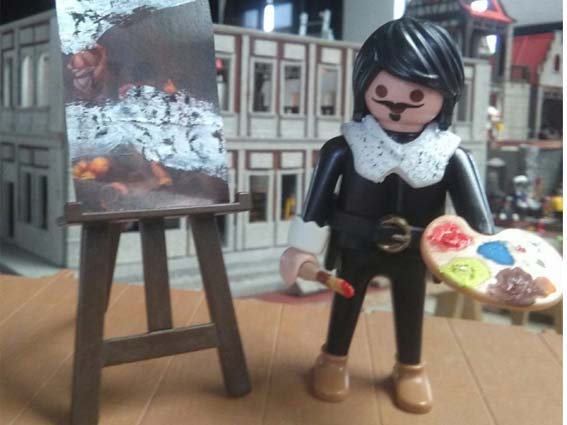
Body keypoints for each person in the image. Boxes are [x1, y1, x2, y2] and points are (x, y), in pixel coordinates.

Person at [279, 17, 494, 414]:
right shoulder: (345, 148)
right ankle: (333, 358)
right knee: (346, 301)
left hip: (417, 250)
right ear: (364, 89)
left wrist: (485, 253)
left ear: (446, 94)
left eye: (416, 93)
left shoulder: (450, 155)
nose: (397, 103)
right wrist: (300, 247)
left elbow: (477, 220)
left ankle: (410, 368)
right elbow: (316, 202)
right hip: (355, 243)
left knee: (411, 306)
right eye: (381, 90)